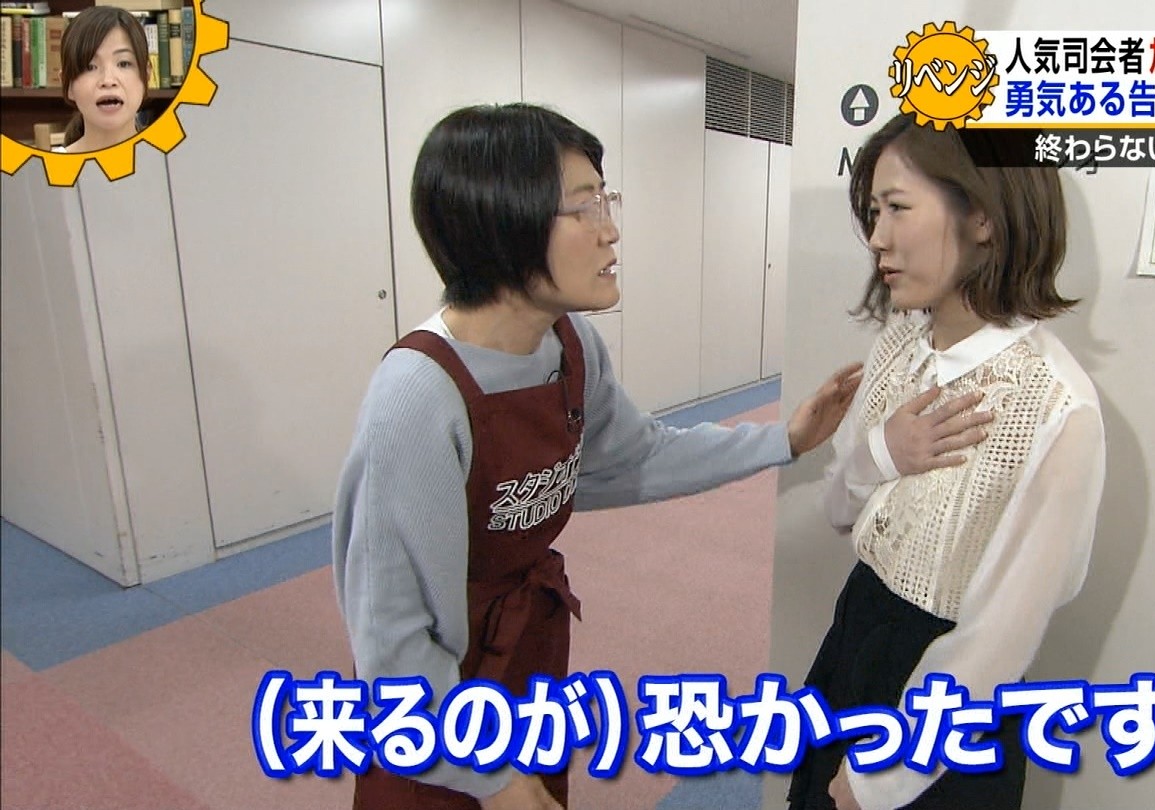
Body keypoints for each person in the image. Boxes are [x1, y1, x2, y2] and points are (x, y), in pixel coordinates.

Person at [331, 103, 991, 810]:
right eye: (584, 206)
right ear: (502, 221)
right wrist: (490, 779)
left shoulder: (570, 346)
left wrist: (786, 439)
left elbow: (635, 457)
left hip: (525, 652)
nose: (610, 229)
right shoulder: (417, 399)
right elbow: (392, 647)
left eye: (606, 200)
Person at [786, 114, 1107, 810]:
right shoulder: (897, 347)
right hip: (856, 637)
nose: (877, 238)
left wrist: (877, 778)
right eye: (874, 212)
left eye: (898, 208)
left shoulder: (1057, 406)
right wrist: (883, 452)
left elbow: (1000, 638)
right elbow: (837, 509)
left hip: (950, 712)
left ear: (983, 216)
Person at [56, 5, 149, 153]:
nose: (108, 81)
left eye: (123, 63)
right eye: (90, 67)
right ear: (68, 85)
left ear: (147, 76)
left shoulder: (172, 161)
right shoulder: (47, 166)